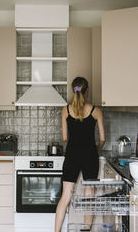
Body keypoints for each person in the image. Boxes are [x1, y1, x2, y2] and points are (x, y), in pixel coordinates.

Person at [54, 76, 105, 232]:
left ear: (73, 90)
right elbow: (102, 138)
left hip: (72, 155)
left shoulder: (66, 110)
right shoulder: (96, 111)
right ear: (87, 91)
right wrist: (96, 148)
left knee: (66, 196)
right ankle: (86, 230)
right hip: (90, 155)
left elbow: (64, 137)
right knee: (89, 195)